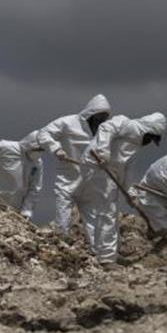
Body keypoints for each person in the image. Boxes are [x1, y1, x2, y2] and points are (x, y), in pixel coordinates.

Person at [81, 112, 167, 265]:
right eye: (151, 137)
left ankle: (109, 254)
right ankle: (106, 259)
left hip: (107, 171)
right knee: (108, 211)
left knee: (110, 212)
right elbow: (106, 127)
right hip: (96, 165)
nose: (149, 142)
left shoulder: (135, 149)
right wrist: (103, 152)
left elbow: (128, 171)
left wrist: (131, 194)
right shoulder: (127, 124)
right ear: (147, 130)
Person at [37, 94, 112, 232]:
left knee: (91, 216)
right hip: (69, 174)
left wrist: (105, 160)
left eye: (104, 118)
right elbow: (43, 134)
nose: (100, 121)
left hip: (91, 178)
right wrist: (56, 149)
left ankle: (95, 249)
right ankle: (61, 239)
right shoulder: (68, 122)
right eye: (98, 117)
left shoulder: (104, 130)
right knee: (63, 207)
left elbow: (110, 149)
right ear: (91, 113)